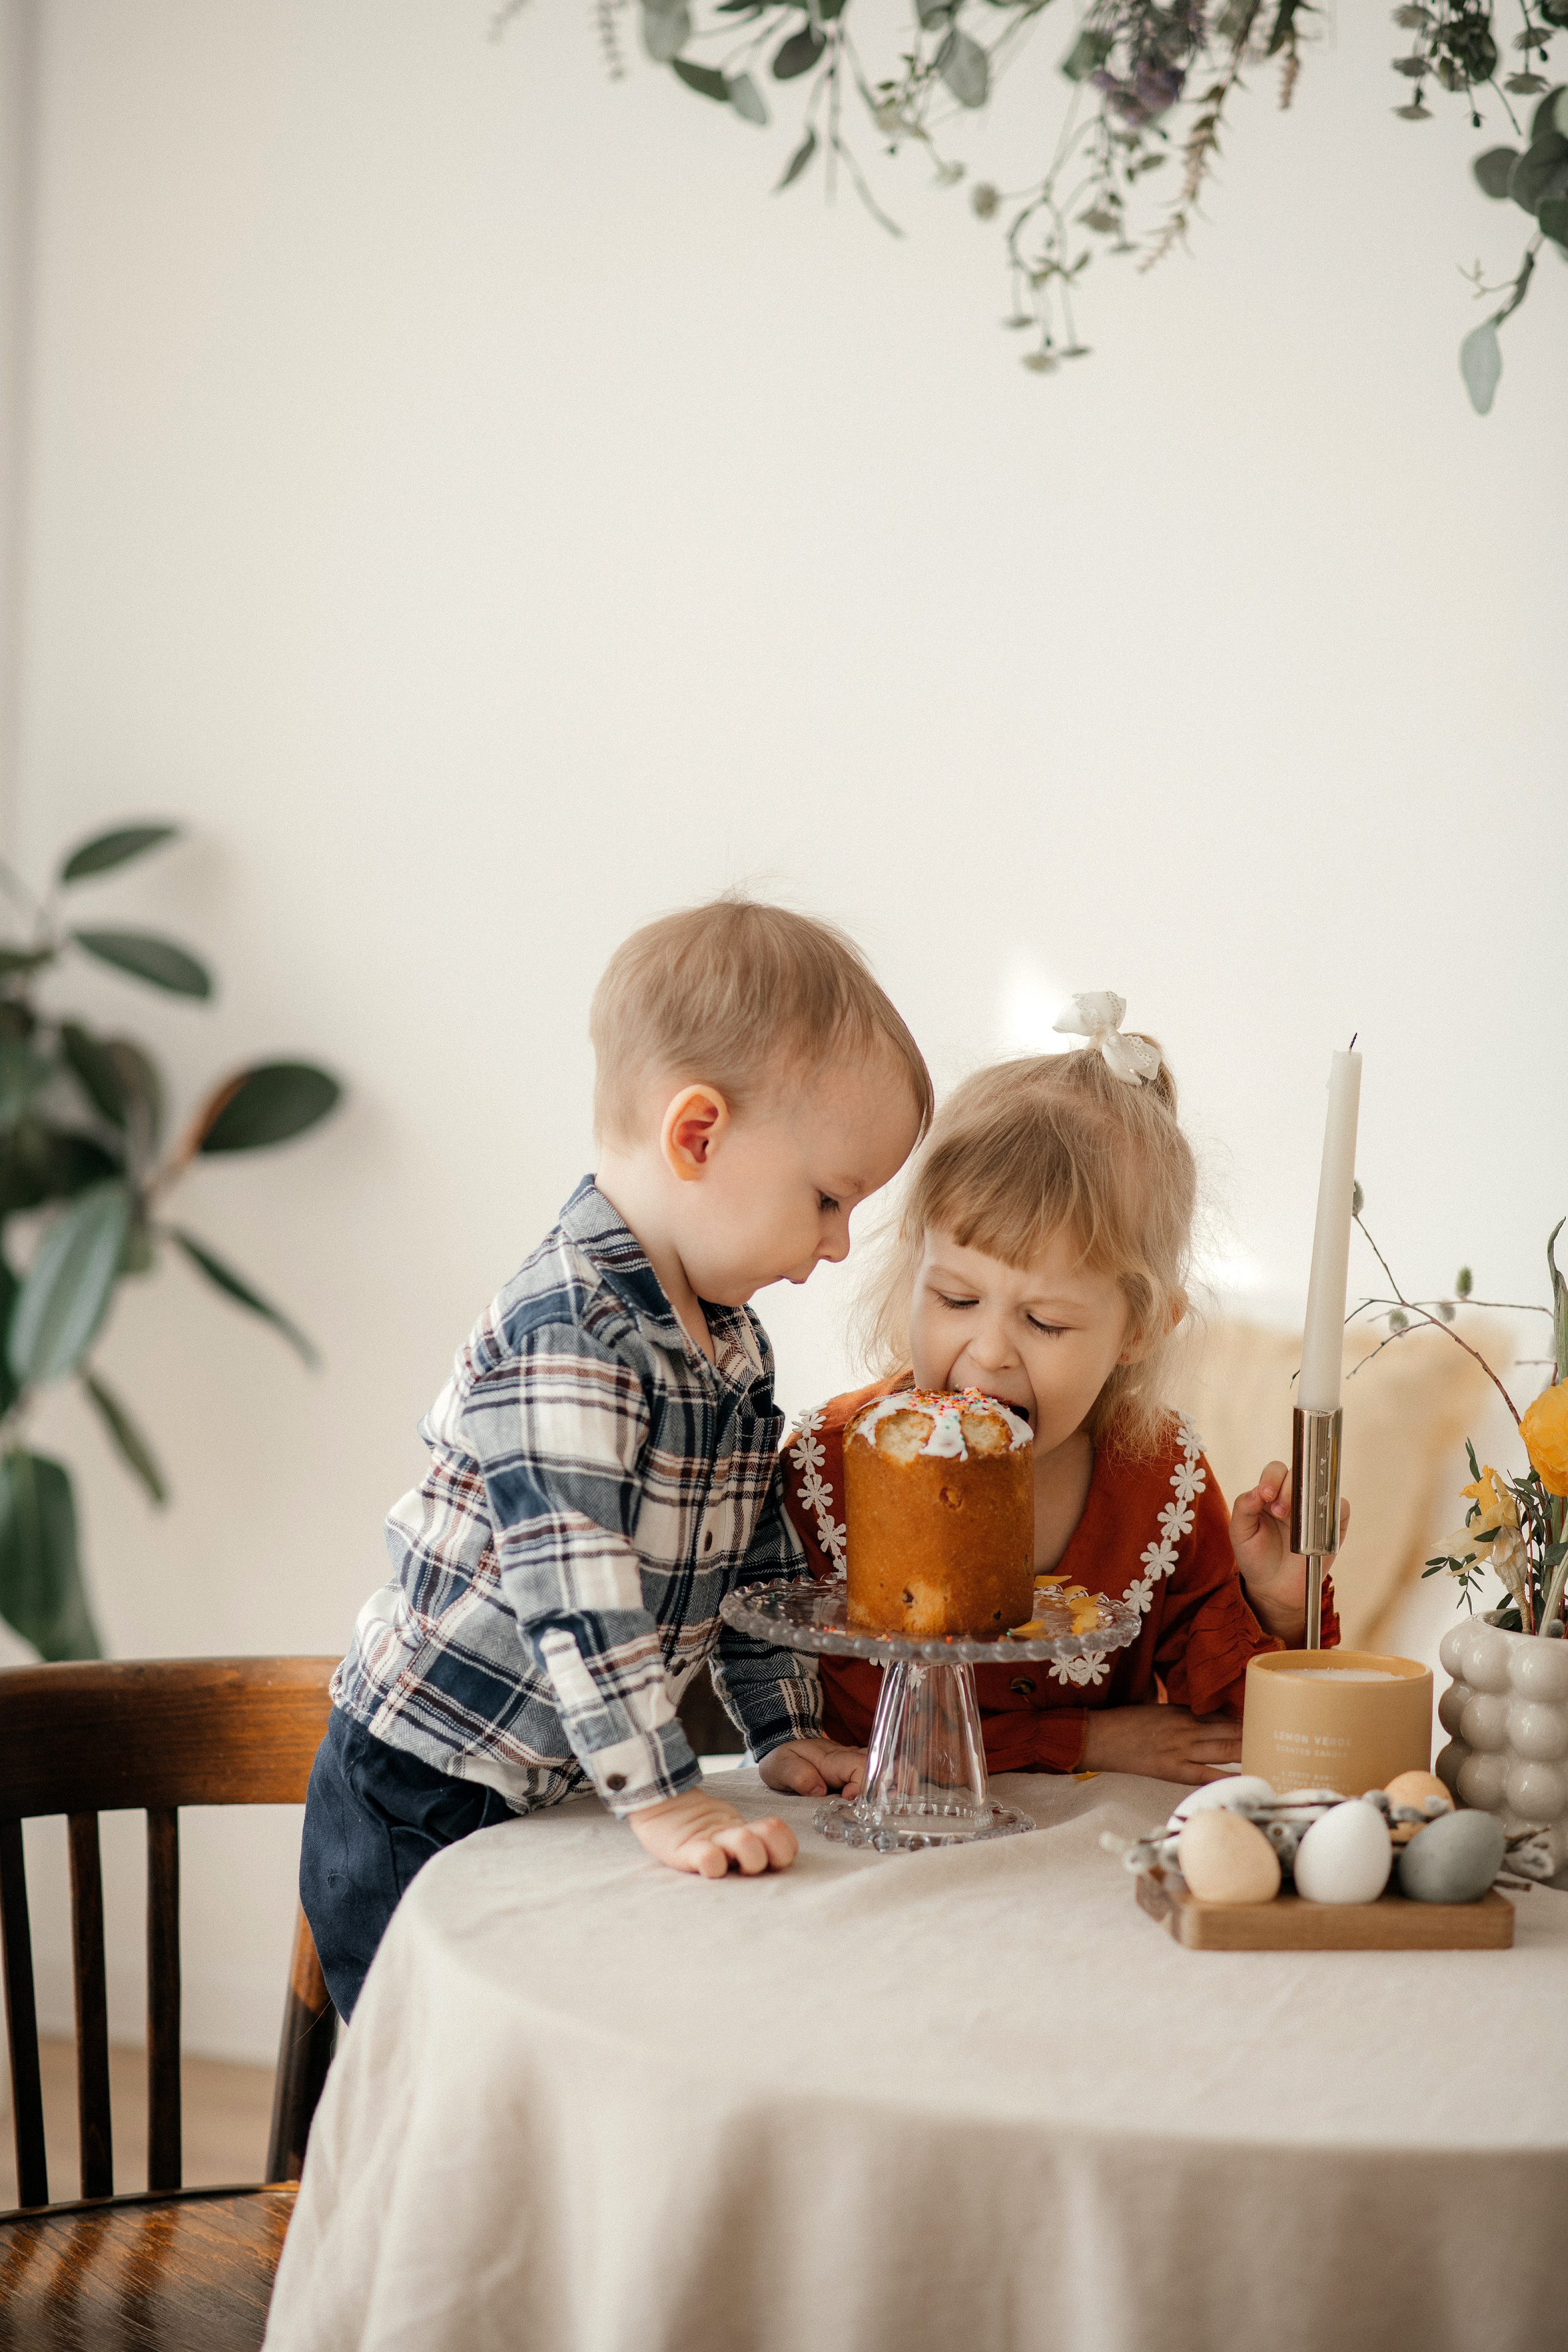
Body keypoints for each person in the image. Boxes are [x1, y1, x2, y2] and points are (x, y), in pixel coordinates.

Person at [303, 899, 927, 2018]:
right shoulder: (571, 1330)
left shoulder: (729, 1343)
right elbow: (575, 1583)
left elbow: (752, 1567)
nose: (838, 1244)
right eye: (830, 1200)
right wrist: (666, 1798)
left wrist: (783, 1731)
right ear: (698, 1135)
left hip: (560, 1786)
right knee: (445, 2072)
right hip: (424, 1792)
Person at [783, 995, 1343, 1786]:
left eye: (1044, 1322)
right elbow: (883, 1741)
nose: (988, 1351)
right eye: (955, 1299)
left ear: (1140, 1329)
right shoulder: (830, 1470)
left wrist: (1280, 1604)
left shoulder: (1160, 1484)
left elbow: (1236, 1735)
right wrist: (1092, 1739)